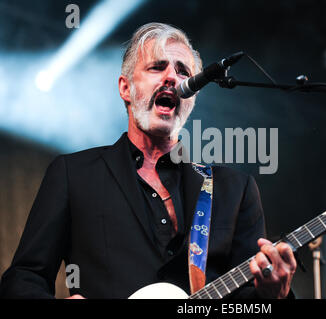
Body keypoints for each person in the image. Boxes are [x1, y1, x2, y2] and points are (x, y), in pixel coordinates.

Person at [0, 22, 297, 299]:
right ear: (125, 88)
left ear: (191, 98)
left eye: (183, 72)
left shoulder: (235, 189)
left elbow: (248, 301)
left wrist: (273, 295)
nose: (172, 77)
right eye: (157, 67)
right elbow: (23, 278)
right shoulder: (73, 174)